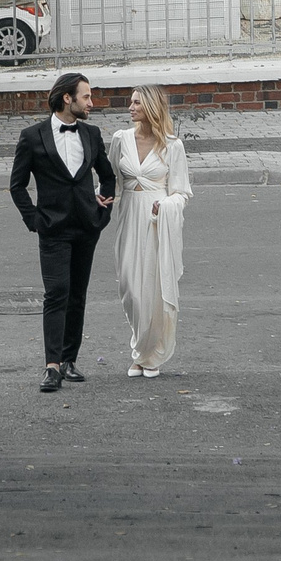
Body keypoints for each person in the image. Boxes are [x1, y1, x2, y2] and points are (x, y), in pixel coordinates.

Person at [7, 71, 115, 393]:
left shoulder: (92, 135)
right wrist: (35, 220)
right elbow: (17, 186)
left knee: (77, 296)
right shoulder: (32, 136)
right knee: (56, 294)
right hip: (52, 230)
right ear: (67, 98)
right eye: (86, 97)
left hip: (86, 227)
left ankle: (69, 360)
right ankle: (51, 366)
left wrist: (102, 210)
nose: (91, 103)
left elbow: (107, 177)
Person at [111, 83, 190, 376]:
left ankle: (145, 356)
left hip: (158, 221)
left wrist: (166, 205)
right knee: (131, 288)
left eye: (137, 104)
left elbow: (181, 192)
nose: (130, 108)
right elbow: (111, 181)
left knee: (154, 290)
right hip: (129, 216)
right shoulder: (120, 139)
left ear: (152, 109)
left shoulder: (173, 145)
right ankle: (142, 347)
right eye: (131, 103)